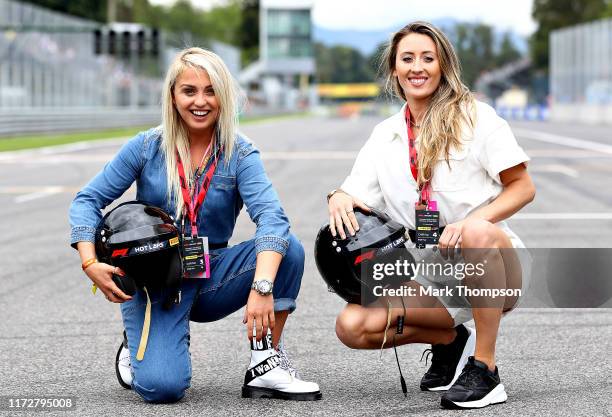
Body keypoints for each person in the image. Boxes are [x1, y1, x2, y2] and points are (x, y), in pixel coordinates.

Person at [69, 47, 321, 403]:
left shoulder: (240, 153)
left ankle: (267, 363)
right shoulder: (146, 147)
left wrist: (262, 288)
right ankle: (139, 333)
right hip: (153, 277)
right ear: (173, 96)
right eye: (189, 91)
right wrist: (90, 262)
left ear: (224, 96)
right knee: (162, 388)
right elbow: (86, 200)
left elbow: (272, 219)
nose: (200, 101)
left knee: (287, 246)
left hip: (211, 273)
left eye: (211, 90)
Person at [327, 22, 535, 409]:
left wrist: (474, 221)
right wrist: (337, 196)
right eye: (407, 59)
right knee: (353, 327)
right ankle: (449, 340)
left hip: (492, 259)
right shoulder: (386, 135)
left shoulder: (476, 117)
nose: (417, 67)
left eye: (428, 58)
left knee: (477, 232)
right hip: (434, 268)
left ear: (442, 66)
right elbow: (354, 192)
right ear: (394, 69)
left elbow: (523, 187)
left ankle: (485, 369)